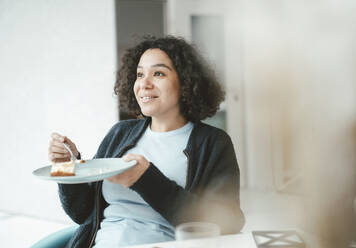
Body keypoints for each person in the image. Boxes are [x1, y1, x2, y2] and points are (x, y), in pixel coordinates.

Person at [48, 35, 245, 248]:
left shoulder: (213, 143)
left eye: (158, 73)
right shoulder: (120, 133)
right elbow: (82, 214)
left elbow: (229, 222)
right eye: (140, 74)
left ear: (187, 82)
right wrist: (67, 167)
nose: (144, 84)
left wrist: (146, 180)